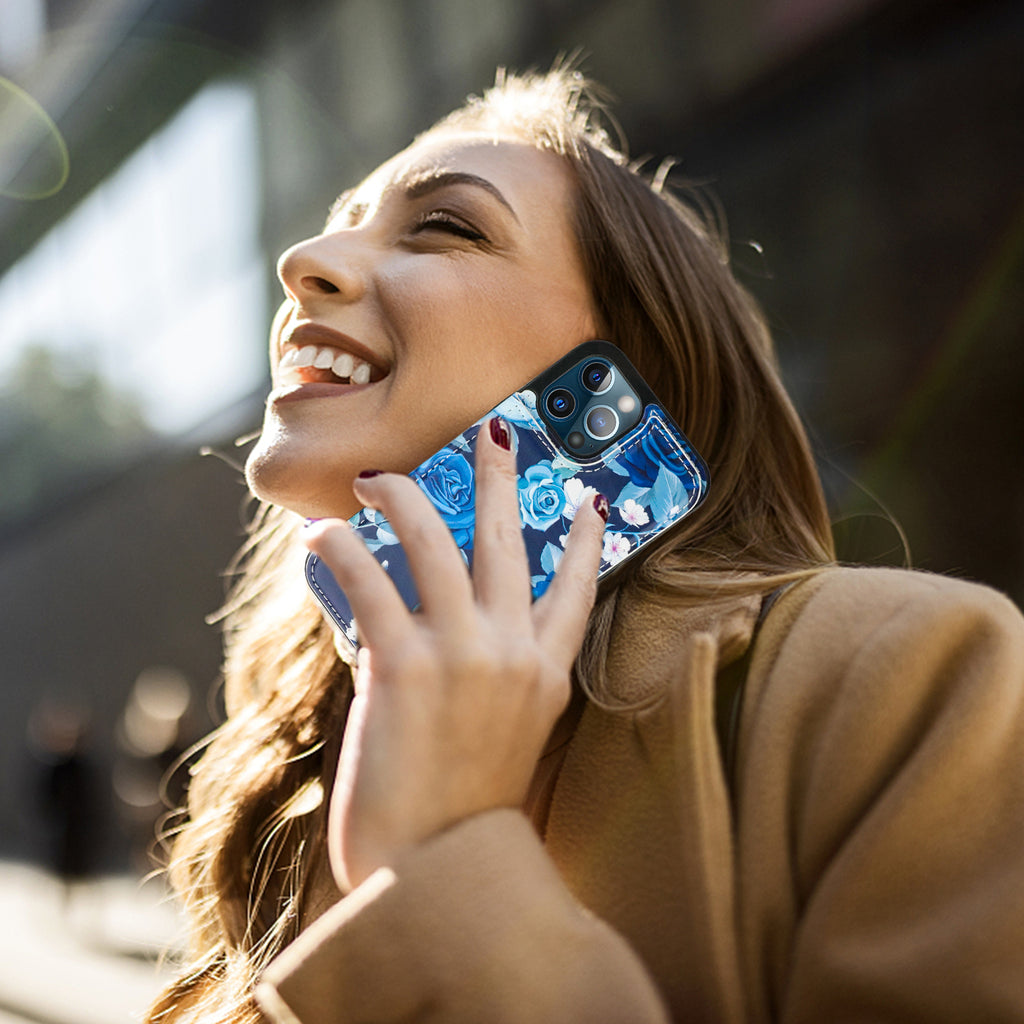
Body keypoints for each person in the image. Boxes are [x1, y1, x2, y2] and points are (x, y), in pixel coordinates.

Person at [147, 67, 1024, 1024]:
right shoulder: (294, 744)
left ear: (626, 375)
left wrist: (449, 856)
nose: (305, 259)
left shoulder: (905, 678)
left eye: (446, 226)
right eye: (340, 221)